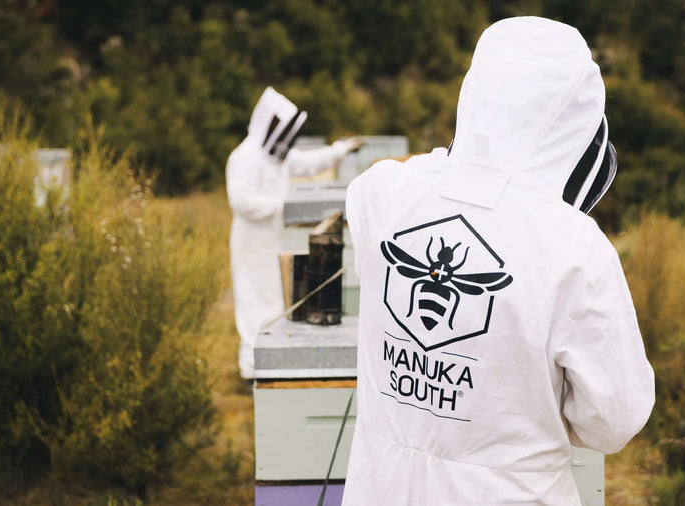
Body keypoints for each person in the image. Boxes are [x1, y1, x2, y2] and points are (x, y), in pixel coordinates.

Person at [342, 17, 654, 505]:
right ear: (575, 119)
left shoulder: (380, 191)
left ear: (477, 91)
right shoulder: (574, 246)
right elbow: (613, 421)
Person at [227, 86, 362, 381]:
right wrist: (282, 206)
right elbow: (239, 199)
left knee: (275, 300)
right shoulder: (245, 157)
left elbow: (310, 162)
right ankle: (251, 371)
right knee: (254, 303)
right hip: (252, 245)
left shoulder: (278, 158)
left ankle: (267, 364)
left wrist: (341, 150)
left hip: (274, 241)